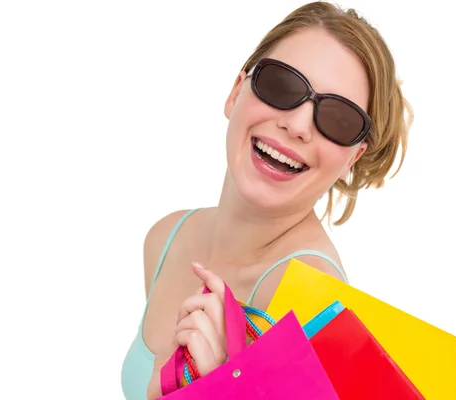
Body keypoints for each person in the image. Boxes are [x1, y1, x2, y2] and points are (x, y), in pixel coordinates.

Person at [120, 1, 413, 398]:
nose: (296, 125)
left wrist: (223, 389)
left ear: (352, 158)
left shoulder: (315, 302)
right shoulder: (166, 237)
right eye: (281, 85)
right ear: (236, 92)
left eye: (339, 119)